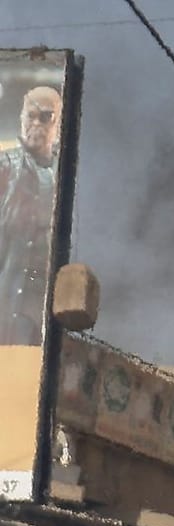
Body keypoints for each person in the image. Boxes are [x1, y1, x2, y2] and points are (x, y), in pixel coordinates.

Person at [0, 85, 63, 347]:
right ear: (21, 118)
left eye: (46, 116)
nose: (36, 123)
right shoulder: (5, 166)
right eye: (30, 115)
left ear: (58, 124)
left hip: (44, 308)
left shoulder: (66, 177)